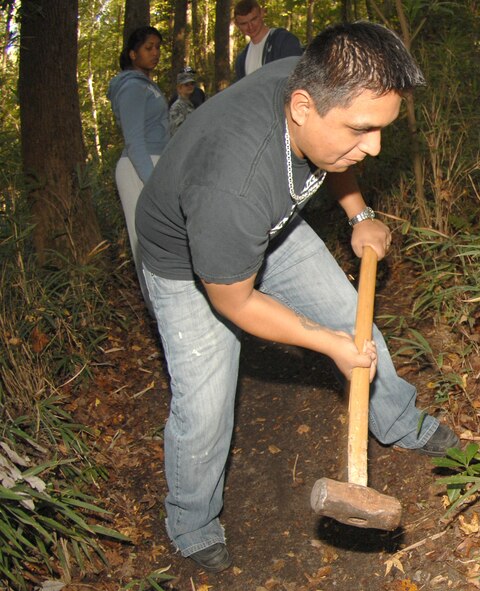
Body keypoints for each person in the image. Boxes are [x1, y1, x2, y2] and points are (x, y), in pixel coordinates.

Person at [135, 21, 460, 573]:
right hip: (191, 262)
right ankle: (191, 523)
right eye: (362, 129)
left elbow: (333, 157)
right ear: (304, 107)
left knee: (352, 323)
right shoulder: (232, 188)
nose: (375, 147)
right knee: (206, 404)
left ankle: (401, 423)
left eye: (382, 130)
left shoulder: (308, 81)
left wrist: (359, 214)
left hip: (269, 227)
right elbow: (235, 303)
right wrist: (323, 343)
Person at [107, 25, 168, 315]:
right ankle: (157, 311)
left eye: (157, 47)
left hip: (154, 164)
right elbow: (134, 142)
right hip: (136, 168)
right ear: (133, 54)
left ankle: (172, 303)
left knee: (164, 235)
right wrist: (153, 181)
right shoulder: (130, 87)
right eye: (148, 48)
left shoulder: (146, 85)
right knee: (142, 240)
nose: (155, 52)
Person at [233, 0, 302, 81]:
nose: (250, 26)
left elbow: (297, 77)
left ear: (262, 13)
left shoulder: (283, 41)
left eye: (254, 19)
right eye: (244, 23)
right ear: (237, 24)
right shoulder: (242, 59)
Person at [168, 69, 197, 136]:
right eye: (186, 85)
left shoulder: (190, 104)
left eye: (192, 84)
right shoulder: (176, 107)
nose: (190, 87)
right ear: (179, 88)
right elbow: (175, 133)